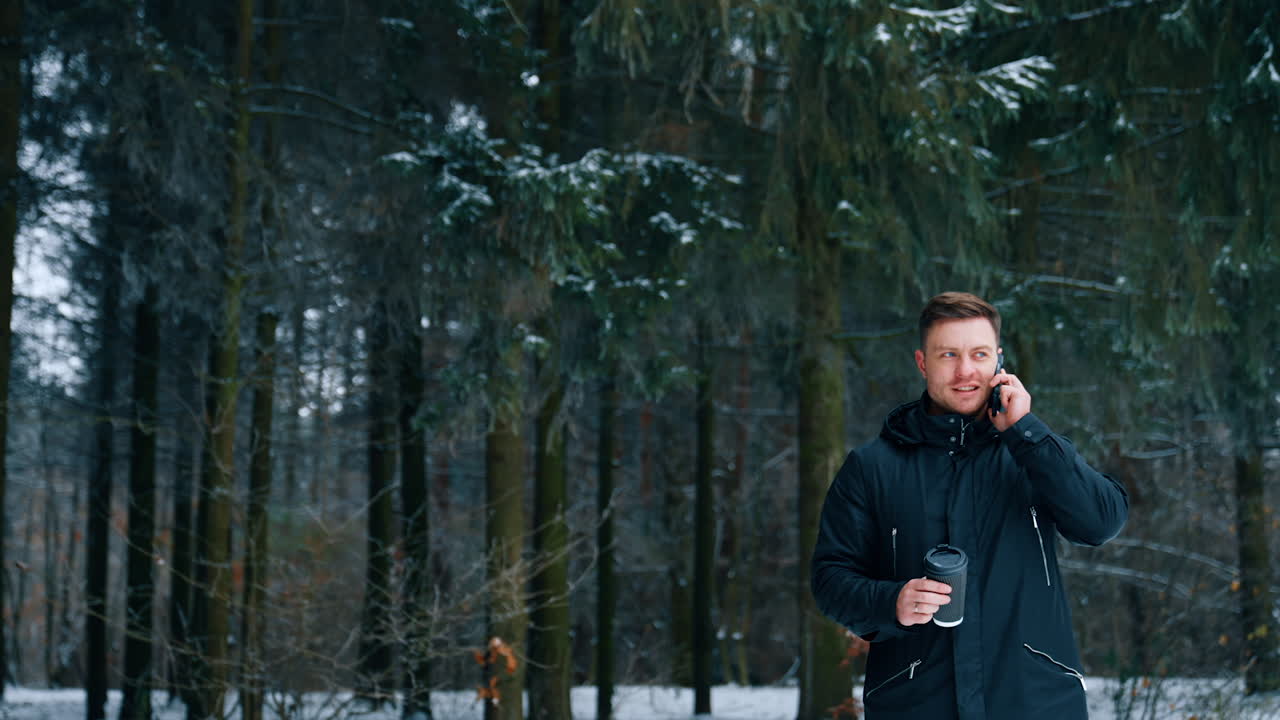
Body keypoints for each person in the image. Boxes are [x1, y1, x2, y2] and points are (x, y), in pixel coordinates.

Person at [810, 292, 1128, 720]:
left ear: (999, 360)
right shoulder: (873, 467)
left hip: (1035, 703)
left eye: (979, 354)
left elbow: (1102, 521)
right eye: (948, 355)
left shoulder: (1034, 453)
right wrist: (891, 602)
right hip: (915, 706)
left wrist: (1028, 433)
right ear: (922, 362)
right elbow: (830, 580)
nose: (965, 371)